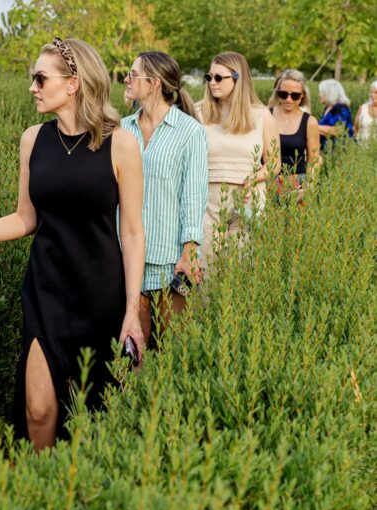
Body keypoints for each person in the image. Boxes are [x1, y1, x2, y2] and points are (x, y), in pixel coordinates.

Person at [0, 36, 145, 451]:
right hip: (46, 291)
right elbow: (26, 218)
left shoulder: (122, 144)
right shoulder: (33, 140)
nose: (32, 87)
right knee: (38, 409)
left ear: (73, 82)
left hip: (100, 296)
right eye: (33, 79)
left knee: (92, 410)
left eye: (41, 78)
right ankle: (34, 492)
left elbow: (131, 232)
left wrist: (132, 310)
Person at [122, 51, 208, 347]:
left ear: (154, 83)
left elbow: (193, 196)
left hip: (169, 260)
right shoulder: (121, 129)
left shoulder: (190, 132)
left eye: (133, 74)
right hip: (127, 256)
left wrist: (189, 251)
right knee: (133, 352)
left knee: (171, 349)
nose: (126, 79)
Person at [196, 51, 281, 274]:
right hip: (206, 203)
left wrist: (253, 179)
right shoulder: (198, 113)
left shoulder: (262, 115)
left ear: (238, 78)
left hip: (247, 202)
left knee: (241, 274)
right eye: (209, 77)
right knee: (205, 275)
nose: (212, 83)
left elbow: (274, 164)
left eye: (219, 78)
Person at [268, 69, 320, 191]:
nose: (289, 99)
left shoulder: (310, 122)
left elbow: (314, 162)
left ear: (303, 95)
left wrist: (308, 187)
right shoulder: (266, 116)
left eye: (295, 95)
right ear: (277, 93)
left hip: (297, 186)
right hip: (267, 183)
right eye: (283, 94)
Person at [317, 79, 354, 150]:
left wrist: (314, 126)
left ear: (328, 93)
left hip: (340, 151)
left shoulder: (341, 107)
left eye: (321, 92)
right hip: (327, 150)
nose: (319, 95)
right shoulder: (328, 107)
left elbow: (338, 130)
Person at [354, 80, 377, 145]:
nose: (372, 95)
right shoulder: (362, 108)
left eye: (376, 93)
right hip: (361, 149)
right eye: (371, 92)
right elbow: (355, 128)